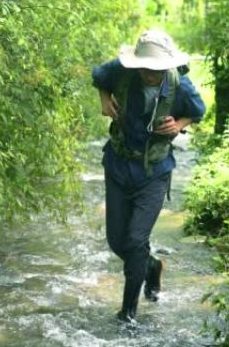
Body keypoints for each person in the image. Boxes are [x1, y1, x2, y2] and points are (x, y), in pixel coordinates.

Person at [91, 30, 206, 323]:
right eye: (144, 67)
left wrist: (179, 124)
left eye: (155, 69)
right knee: (118, 241)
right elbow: (98, 75)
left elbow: (199, 110)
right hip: (117, 165)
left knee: (135, 239)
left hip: (154, 173)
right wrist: (105, 99)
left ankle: (127, 312)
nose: (149, 73)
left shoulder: (180, 84)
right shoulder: (121, 70)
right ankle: (151, 265)